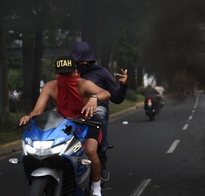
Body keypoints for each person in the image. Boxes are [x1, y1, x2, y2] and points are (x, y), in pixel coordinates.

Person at [19, 55, 111, 196]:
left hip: (87, 122)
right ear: (56, 74)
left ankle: (97, 187)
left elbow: (105, 93)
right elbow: (37, 111)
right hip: (64, 124)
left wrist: (94, 98)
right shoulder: (50, 87)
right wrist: (29, 117)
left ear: (75, 72)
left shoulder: (83, 84)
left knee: (91, 150)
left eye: (68, 73)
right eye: (61, 74)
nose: (65, 77)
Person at [71, 41, 128, 181]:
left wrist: (123, 85)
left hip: (97, 108)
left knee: (100, 113)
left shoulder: (101, 72)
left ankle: (101, 156)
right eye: (79, 59)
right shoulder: (70, 74)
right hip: (75, 109)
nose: (83, 62)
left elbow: (116, 97)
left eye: (86, 59)